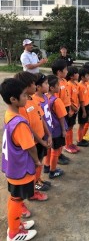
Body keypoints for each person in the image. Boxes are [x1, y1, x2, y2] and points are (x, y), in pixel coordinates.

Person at [0, 78, 39, 241]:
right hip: (20, 169)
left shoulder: (9, 114)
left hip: (13, 167)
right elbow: (30, 147)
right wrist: (37, 161)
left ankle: (15, 225)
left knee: (15, 198)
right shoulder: (19, 123)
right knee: (16, 199)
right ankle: (14, 233)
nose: (27, 98)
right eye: (23, 95)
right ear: (13, 99)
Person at [14, 72, 50, 200]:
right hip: (32, 143)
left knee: (38, 164)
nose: (35, 86)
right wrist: (41, 140)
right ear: (25, 86)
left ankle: (36, 183)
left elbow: (41, 118)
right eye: (33, 83)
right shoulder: (21, 106)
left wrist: (48, 135)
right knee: (30, 169)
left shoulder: (33, 99)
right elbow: (27, 127)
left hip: (40, 141)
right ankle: (30, 193)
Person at [45, 75, 68, 179]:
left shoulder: (45, 98)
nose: (59, 87)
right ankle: (53, 171)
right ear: (52, 88)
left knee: (50, 148)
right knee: (56, 150)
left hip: (49, 129)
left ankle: (47, 166)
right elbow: (61, 117)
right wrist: (63, 130)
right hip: (57, 130)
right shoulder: (56, 100)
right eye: (57, 85)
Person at [52, 59, 73, 164]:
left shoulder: (64, 81)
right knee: (60, 133)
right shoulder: (55, 84)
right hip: (60, 112)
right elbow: (56, 102)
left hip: (66, 109)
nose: (67, 72)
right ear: (59, 72)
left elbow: (67, 96)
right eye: (65, 70)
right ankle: (57, 155)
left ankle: (60, 153)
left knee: (65, 130)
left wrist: (69, 108)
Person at [65, 66, 81, 152]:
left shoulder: (76, 84)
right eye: (76, 73)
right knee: (69, 127)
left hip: (75, 109)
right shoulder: (69, 85)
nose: (78, 74)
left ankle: (71, 143)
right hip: (71, 110)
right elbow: (68, 99)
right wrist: (73, 108)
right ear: (71, 76)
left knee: (71, 127)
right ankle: (67, 145)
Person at [77, 68, 89, 146]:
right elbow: (81, 100)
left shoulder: (86, 84)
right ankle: (80, 140)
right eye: (87, 76)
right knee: (82, 125)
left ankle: (83, 137)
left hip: (88, 105)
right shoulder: (80, 86)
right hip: (83, 108)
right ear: (82, 77)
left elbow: (88, 95)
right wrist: (84, 111)